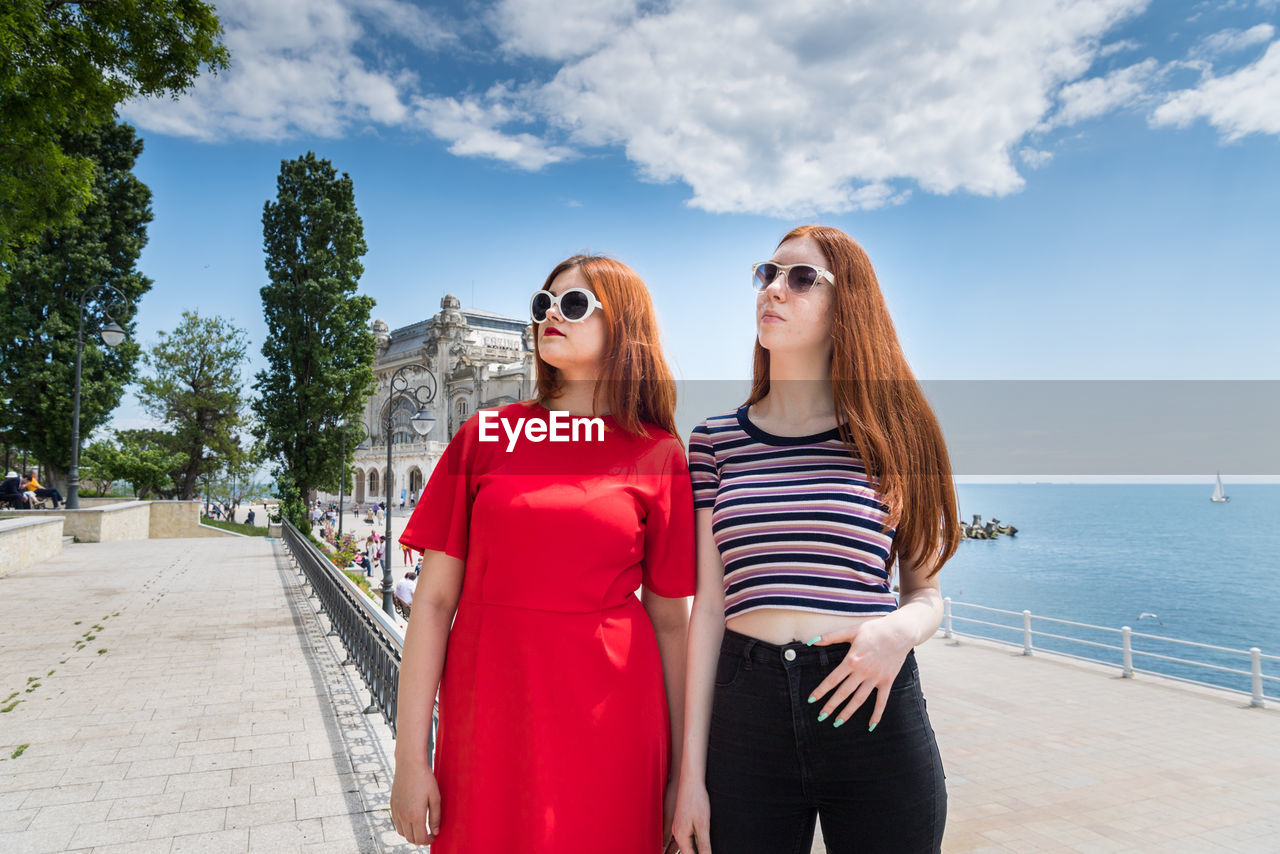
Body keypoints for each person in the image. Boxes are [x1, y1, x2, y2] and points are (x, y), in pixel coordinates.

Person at [390, 255, 696, 852]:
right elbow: (431, 605)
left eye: (574, 305)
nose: (550, 314)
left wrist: (684, 774)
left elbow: (672, 626)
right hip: (488, 717)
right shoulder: (485, 438)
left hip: (615, 723)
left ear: (624, 327)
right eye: (542, 304)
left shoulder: (659, 455)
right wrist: (410, 760)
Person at [671, 226, 961, 854]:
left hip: (872, 703)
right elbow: (709, 611)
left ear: (846, 306)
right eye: (766, 274)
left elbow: (927, 593)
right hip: (745, 717)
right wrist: (689, 777)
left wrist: (899, 631)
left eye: (801, 278)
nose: (774, 289)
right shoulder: (715, 440)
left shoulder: (897, 434)